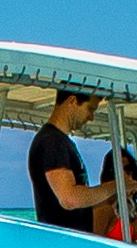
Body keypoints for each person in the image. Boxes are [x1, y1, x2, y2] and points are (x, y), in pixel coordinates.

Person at [26, 87, 118, 233]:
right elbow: (69, 198)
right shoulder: (51, 141)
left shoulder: (62, 141)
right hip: (61, 246)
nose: (91, 117)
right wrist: (117, 186)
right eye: (90, 109)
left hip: (70, 245)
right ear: (73, 101)